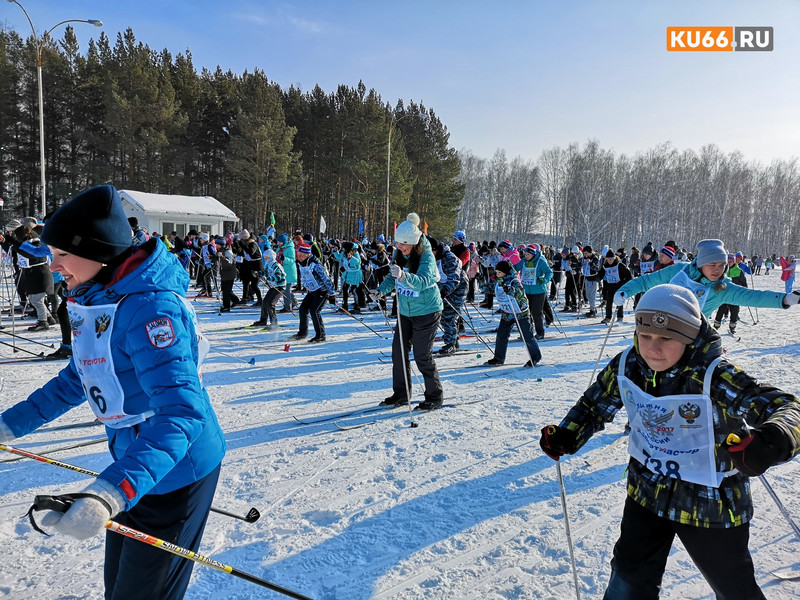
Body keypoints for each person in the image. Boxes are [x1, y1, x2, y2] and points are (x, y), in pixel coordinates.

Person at [0, 185, 225, 600]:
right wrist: (7, 427)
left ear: (99, 251)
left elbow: (182, 414)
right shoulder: (97, 294)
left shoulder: (151, 309)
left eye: (63, 254)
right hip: (133, 465)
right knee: (118, 589)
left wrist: (110, 492)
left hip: (175, 470)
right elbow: (79, 378)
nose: (54, 265)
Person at [539, 284, 800, 600]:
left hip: (710, 503)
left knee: (735, 590)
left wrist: (773, 440)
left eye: (666, 338)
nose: (653, 348)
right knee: (627, 581)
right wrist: (569, 433)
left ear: (689, 338)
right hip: (647, 493)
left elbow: (786, 408)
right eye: (645, 335)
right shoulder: (628, 364)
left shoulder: (712, 374)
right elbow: (595, 404)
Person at [615, 239, 800, 317]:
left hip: (693, 339)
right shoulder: (678, 271)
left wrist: (784, 299)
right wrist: (625, 290)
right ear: (701, 263)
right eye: (712, 265)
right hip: (660, 328)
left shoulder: (721, 288)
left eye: (721, 265)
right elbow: (646, 281)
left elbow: (752, 296)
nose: (717, 270)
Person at [373, 213, 444, 410]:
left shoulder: (427, 257)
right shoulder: (399, 255)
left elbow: (422, 282)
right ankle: (401, 394)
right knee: (398, 353)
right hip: (406, 312)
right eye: (397, 243)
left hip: (427, 311)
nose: (400, 247)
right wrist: (380, 291)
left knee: (422, 355)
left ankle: (434, 396)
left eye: (404, 244)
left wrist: (404, 276)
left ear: (414, 242)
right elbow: (392, 278)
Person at [485, 260, 542, 368]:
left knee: (527, 336)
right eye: (496, 272)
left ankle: (535, 357)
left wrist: (511, 290)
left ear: (505, 272)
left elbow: (519, 292)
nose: (497, 275)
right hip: (507, 312)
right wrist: (484, 285)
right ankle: (499, 357)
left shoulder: (514, 280)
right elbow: (491, 289)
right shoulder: (498, 280)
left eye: (499, 272)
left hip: (520, 312)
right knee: (502, 335)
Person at [429, 236, 468, 354]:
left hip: (458, 289)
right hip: (443, 287)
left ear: (436, 249)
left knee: (449, 316)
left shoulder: (450, 258)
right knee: (442, 315)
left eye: (431, 251)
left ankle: (450, 343)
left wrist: (443, 292)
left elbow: (454, 279)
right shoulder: (433, 258)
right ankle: (453, 340)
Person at [291, 243, 335, 343]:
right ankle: (303, 333)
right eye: (298, 255)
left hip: (322, 291)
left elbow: (326, 279)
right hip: (312, 291)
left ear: (307, 254)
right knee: (303, 309)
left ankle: (321, 336)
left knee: (314, 311)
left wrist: (332, 294)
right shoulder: (301, 262)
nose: (299, 257)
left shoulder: (315, 264)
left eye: (302, 255)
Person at [514, 244, 553, 339]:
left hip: (539, 290)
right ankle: (527, 333)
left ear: (533, 254)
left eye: (528, 254)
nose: (526, 256)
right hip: (527, 290)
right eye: (525, 254)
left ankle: (540, 333)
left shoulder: (540, 261)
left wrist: (544, 280)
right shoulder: (524, 261)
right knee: (526, 312)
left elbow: (549, 272)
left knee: (536, 312)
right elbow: (515, 268)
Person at [253, 248, 286, 327]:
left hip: (279, 287)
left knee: (270, 303)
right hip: (273, 286)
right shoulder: (268, 264)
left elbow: (279, 278)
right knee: (265, 302)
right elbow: (265, 272)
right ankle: (263, 320)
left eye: (266, 257)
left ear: (270, 257)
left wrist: (268, 279)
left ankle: (274, 322)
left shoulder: (276, 266)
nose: (265, 259)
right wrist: (259, 273)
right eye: (264, 257)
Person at [598, 248, 632, 324]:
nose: (609, 261)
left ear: (614, 258)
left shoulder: (620, 265)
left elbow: (629, 276)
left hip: (619, 286)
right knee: (609, 302)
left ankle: (620, 317)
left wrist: (624, 283)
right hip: (610, 286)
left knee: (619, 301)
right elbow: (600, 275)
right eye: (607, 259)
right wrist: (596, 278)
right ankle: (608, 317)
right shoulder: (605, 266)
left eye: (611, 259)